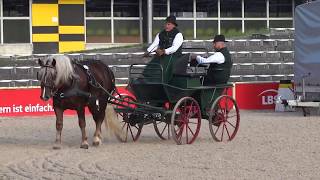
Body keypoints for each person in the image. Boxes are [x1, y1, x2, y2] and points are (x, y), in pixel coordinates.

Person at [143, 15, 184, 83]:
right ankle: (148, 81)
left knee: (165, 65)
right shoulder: (160, 34)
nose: (166, 26)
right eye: (166, 24)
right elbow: (155, 44)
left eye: (169, 24)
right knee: (152, 65)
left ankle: (161, 81)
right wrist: (148, 51)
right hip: (161, 55)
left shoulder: (178, 35)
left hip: (174, 57)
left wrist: (164, 51)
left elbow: (174, 48)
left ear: (173, 25)